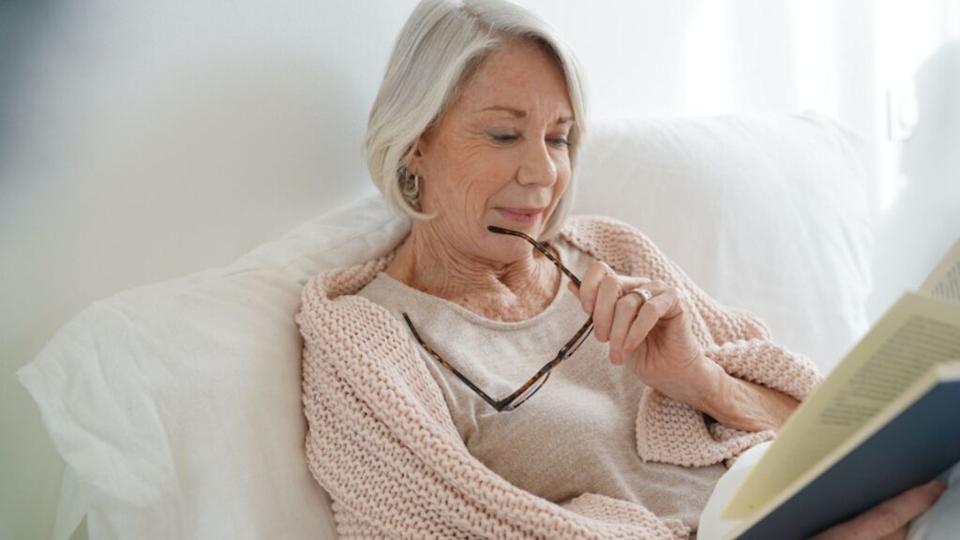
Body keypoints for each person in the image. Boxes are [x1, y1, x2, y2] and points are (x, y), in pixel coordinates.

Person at [295, 1, 948, 537]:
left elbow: (819, 424)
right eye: (503, 135)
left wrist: (700, 381)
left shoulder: (608, 253)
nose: (545, 172)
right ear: (414, 147)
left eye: (558, 138)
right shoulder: (369, 343)